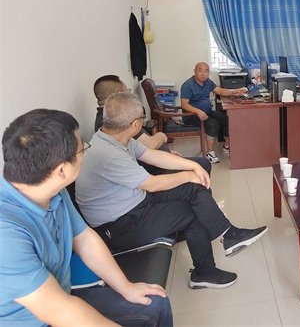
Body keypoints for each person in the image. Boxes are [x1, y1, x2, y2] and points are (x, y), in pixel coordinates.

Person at [76, 92, 267, 290]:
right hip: (119, 227)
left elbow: (153, 156)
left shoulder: (115, 138)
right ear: (135, 124)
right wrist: (188, 175)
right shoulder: (108, 154)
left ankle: (229, 234)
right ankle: (204, 273)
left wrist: (193, 167)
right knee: (191, 213)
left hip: (135, 203)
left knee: (193, 189)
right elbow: (151, 184)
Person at [0, 109, 172, 326]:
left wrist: (126, 288)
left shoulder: (52, 190)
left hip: (63, 296)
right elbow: (60, 311)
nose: (85, 154)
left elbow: (85, 239)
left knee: (155, 303)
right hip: (39, 319)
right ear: (61, 170)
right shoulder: (6, 234)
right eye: (83, 149)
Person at [181, 62, 247, 164]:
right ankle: (210, 153)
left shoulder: (207, 82)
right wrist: (198, 111)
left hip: (207, 112)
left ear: (208, 73)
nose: (203, 74)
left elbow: (220, 91)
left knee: (225, 118)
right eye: (200, 70)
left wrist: (235, 91)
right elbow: (184, 104)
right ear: (194, 71)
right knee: (213, 124)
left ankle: (227, 146)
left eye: (206, 71)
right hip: (192, 115)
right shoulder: (188, 85)